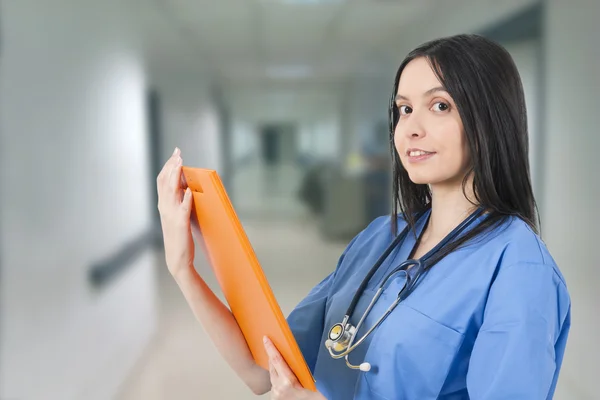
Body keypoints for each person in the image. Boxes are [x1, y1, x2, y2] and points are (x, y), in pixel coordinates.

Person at [156, 34, 571, 399]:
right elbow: (262, 370)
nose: (411, 128)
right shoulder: (380, 237)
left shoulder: (517, 266)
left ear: (490, 120)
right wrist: (184, 269)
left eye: (440, 105)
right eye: (404, 109)